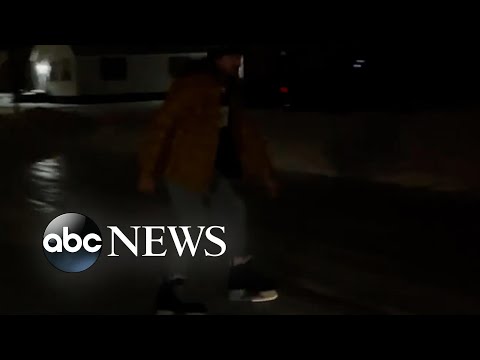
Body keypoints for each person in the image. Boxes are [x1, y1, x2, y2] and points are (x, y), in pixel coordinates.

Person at [138, 46, 279, 315]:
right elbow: (162, 126)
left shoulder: (231, 88)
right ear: (218, 58)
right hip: (184, 170)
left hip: (215, 172)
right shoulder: (192, 86)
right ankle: (168, 296)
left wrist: (265, 174)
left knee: (235, 212)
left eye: (240, 56)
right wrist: (147, 171)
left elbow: (246, 135)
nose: (238, 61)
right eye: (233, 57)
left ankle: (237, 280)